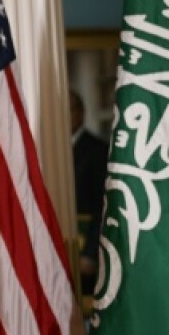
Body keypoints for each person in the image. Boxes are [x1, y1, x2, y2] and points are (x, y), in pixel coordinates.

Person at [71, 90, 109, 295]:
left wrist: (91, 252)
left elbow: (102, 204)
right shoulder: (51, 149)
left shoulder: (97, 150)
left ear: (81, 113)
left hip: (86, 241)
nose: (66, 116)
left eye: (71, 110)